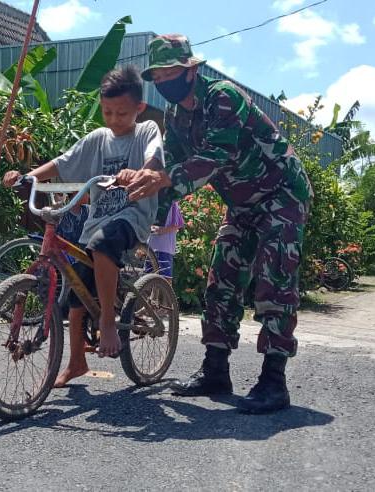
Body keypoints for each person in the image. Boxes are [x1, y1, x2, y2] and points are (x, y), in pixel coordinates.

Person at [116, 34, 313, 414]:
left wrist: (163, 179)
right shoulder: (176, 116)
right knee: (221, 278)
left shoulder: (223, 96)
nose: (164, 82)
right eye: (158, 77)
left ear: (191, 71)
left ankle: (274, 381)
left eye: (171, 72)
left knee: (274, 278)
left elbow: (214, 157)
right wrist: (143, 213)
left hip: (281, 193)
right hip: (242, 204)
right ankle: (215, 370)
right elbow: (169, 168)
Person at [2, 65, 162, 387]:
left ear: (139, 109)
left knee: (103, 242)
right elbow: (62, 162)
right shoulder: (97, 139)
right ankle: (76, 362)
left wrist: (139, 173)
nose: (114, 119)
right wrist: (29, 176)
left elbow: (153, 157)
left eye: (122, 113)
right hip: (97, 222)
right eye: (107, 112)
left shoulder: (146, 131)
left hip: (131, 218)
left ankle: (106, 321)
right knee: (76, 294)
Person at [147, 201, 183, 280]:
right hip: (150, 247)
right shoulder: (152, 200)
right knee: (146, 281)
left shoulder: (172, 202)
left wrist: (162, 230)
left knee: (165, 281)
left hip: (164, 249)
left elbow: (178, 224)